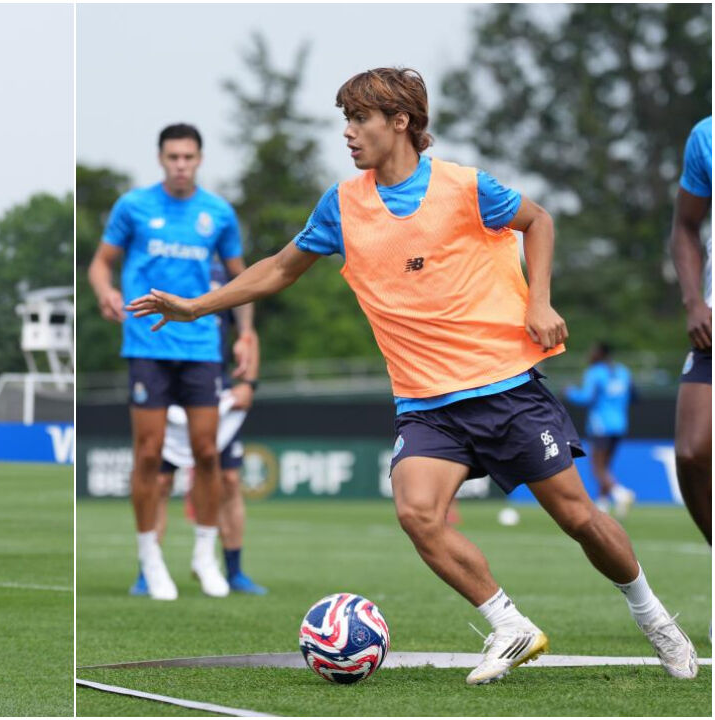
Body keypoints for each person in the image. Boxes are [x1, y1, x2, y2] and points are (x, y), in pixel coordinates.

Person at [128, 68, 697, 683]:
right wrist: (195, 306)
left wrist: (539, 299)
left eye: (360, 119)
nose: (347, 132)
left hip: (506, 387)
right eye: (344, 119)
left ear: (401, 122)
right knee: (416, 512)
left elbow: (539, 221)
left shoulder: (464, 187)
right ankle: (510, 625)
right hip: (426, 405)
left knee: (580, 518)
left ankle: (656, 619)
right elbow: (278, 269)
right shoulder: (341, 205)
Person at [88, 123, 256, 600]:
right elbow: (101, 262)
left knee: (207, 452)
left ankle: (204, 554)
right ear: (161, 159)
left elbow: (241, 281)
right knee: (149, 453)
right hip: (146, 345)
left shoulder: (218, 213)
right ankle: (150, 558)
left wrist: (245, 334)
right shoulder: (134, 207)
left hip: (202, 345)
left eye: (188, 157)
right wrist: (106, 291)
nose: (181, 164)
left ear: (200, 159)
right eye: (173, 157)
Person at [131, 264, 267, 596]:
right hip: (165, 387)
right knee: (161, 480)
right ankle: (148, 570)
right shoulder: (159, 264)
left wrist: (249, 383)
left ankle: (232, 569)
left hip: (212, 390)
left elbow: (248, 333)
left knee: (230, 479)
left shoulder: (225, 277)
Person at [669, 115, 711, 545]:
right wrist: (694, 300)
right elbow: (685, 226)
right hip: (711, 321)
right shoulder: (706, 135)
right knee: (692, 452)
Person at [563, 342, 636, 517]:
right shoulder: (623, 371)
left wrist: (571, 392)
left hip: (601, 425)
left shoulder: (595, 372)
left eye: (593, 351)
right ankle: (603, 505)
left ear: (600, 354)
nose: (590, 354)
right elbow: (634, 395)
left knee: (597, 468)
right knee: (606, 467)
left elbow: (587, 398)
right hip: (620, 425)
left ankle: (620, 493)